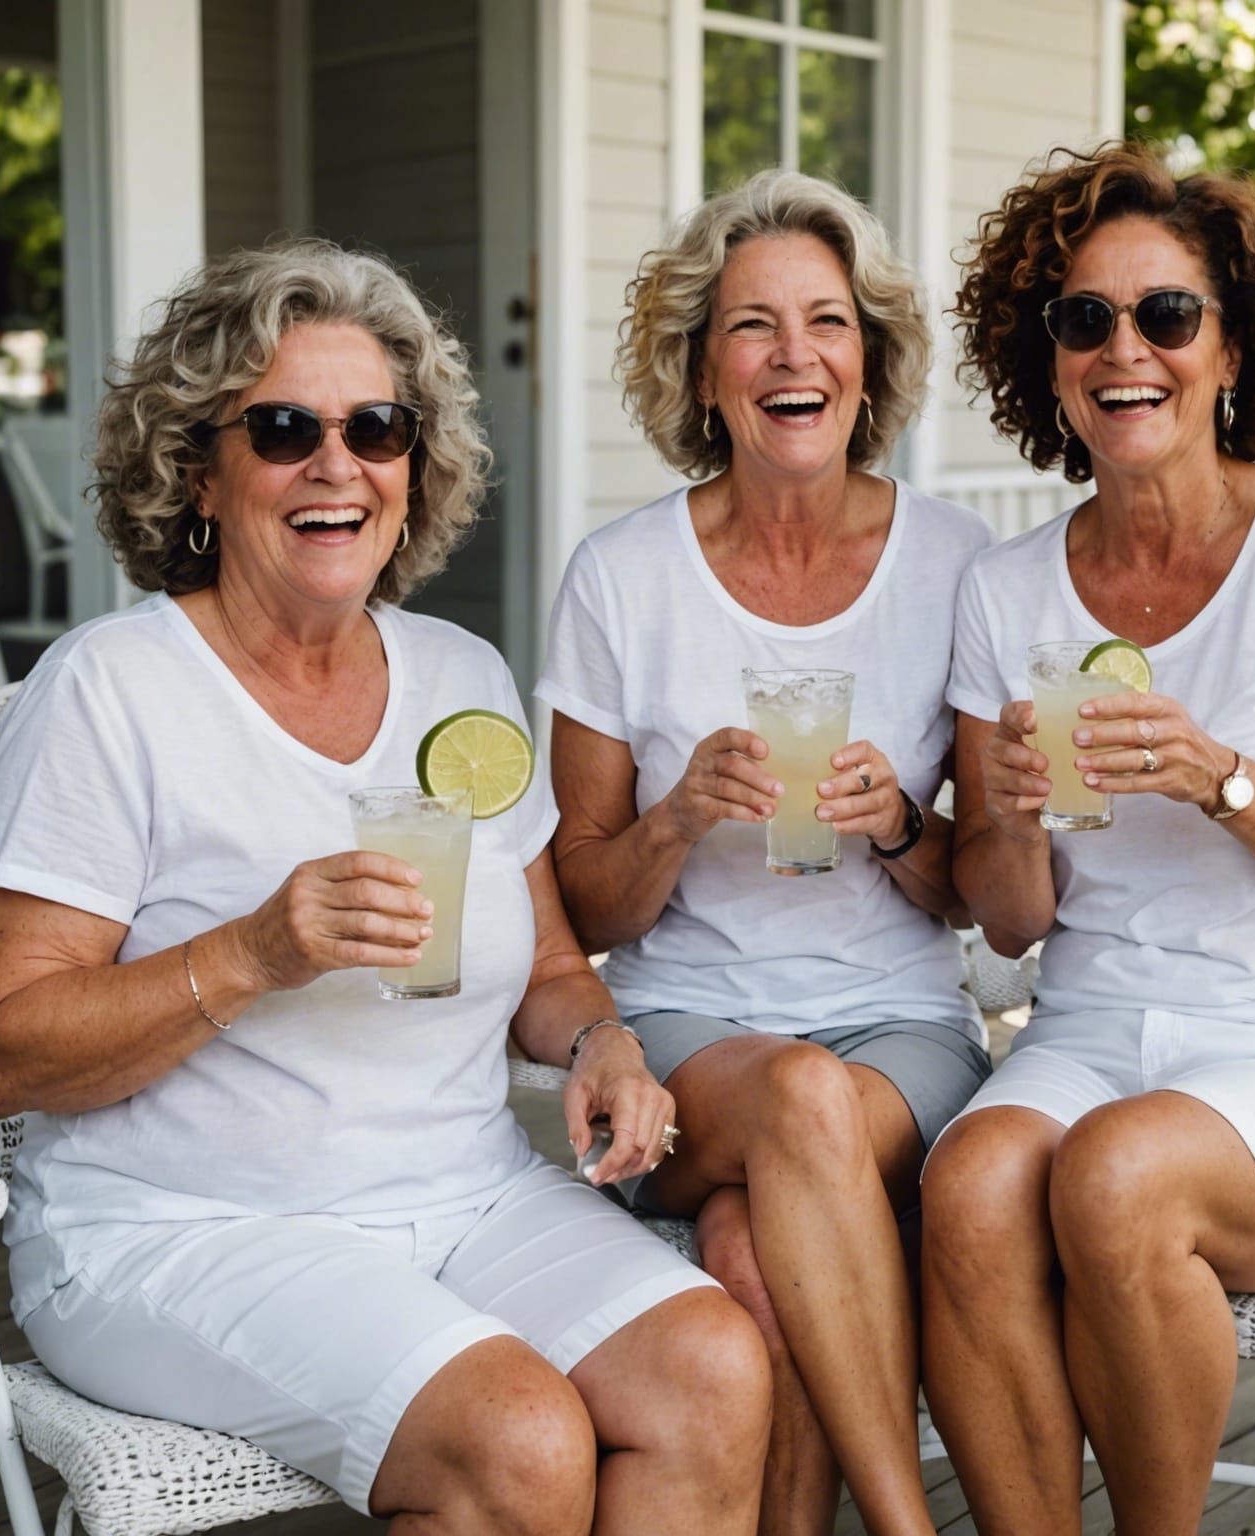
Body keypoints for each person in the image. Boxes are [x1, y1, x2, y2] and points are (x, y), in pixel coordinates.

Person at [0, 240, 771, 1536]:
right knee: (516, 1439)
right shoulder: (112, 691)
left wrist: (606, 1043)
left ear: (414, 466)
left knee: (716, 1375)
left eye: (375, 428)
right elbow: (2, 1052)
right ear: (199, 471)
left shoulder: (460, 677)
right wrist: (253, 955)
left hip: (462, 1189)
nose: (337, 464)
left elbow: (551, 970)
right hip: (181, 1229)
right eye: (284, 428)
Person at [921, 141, 1255, 1536]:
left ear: (1232, 349)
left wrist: (1227, 782)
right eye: (1082, 319)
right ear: (1047, 362)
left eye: (1166, 314)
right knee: (967, 1187)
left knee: (1116, 1172)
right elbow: (1009, 921)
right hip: (1094, 1030)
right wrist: (1013, 819)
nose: (1123, 349)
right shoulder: (1007, 586)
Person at [536, 169, 993, 1536]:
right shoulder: (620, 578)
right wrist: (676, 815)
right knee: (793, 1103)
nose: (794, 354)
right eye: (752, 327)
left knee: (751, 1241)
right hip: (688, 1029)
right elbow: (578, 897)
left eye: (827, 322)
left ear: (871, 358)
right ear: (704, 372)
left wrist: (904, 826)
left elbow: (997, 899)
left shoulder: (960, 564)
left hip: (903, 1022)